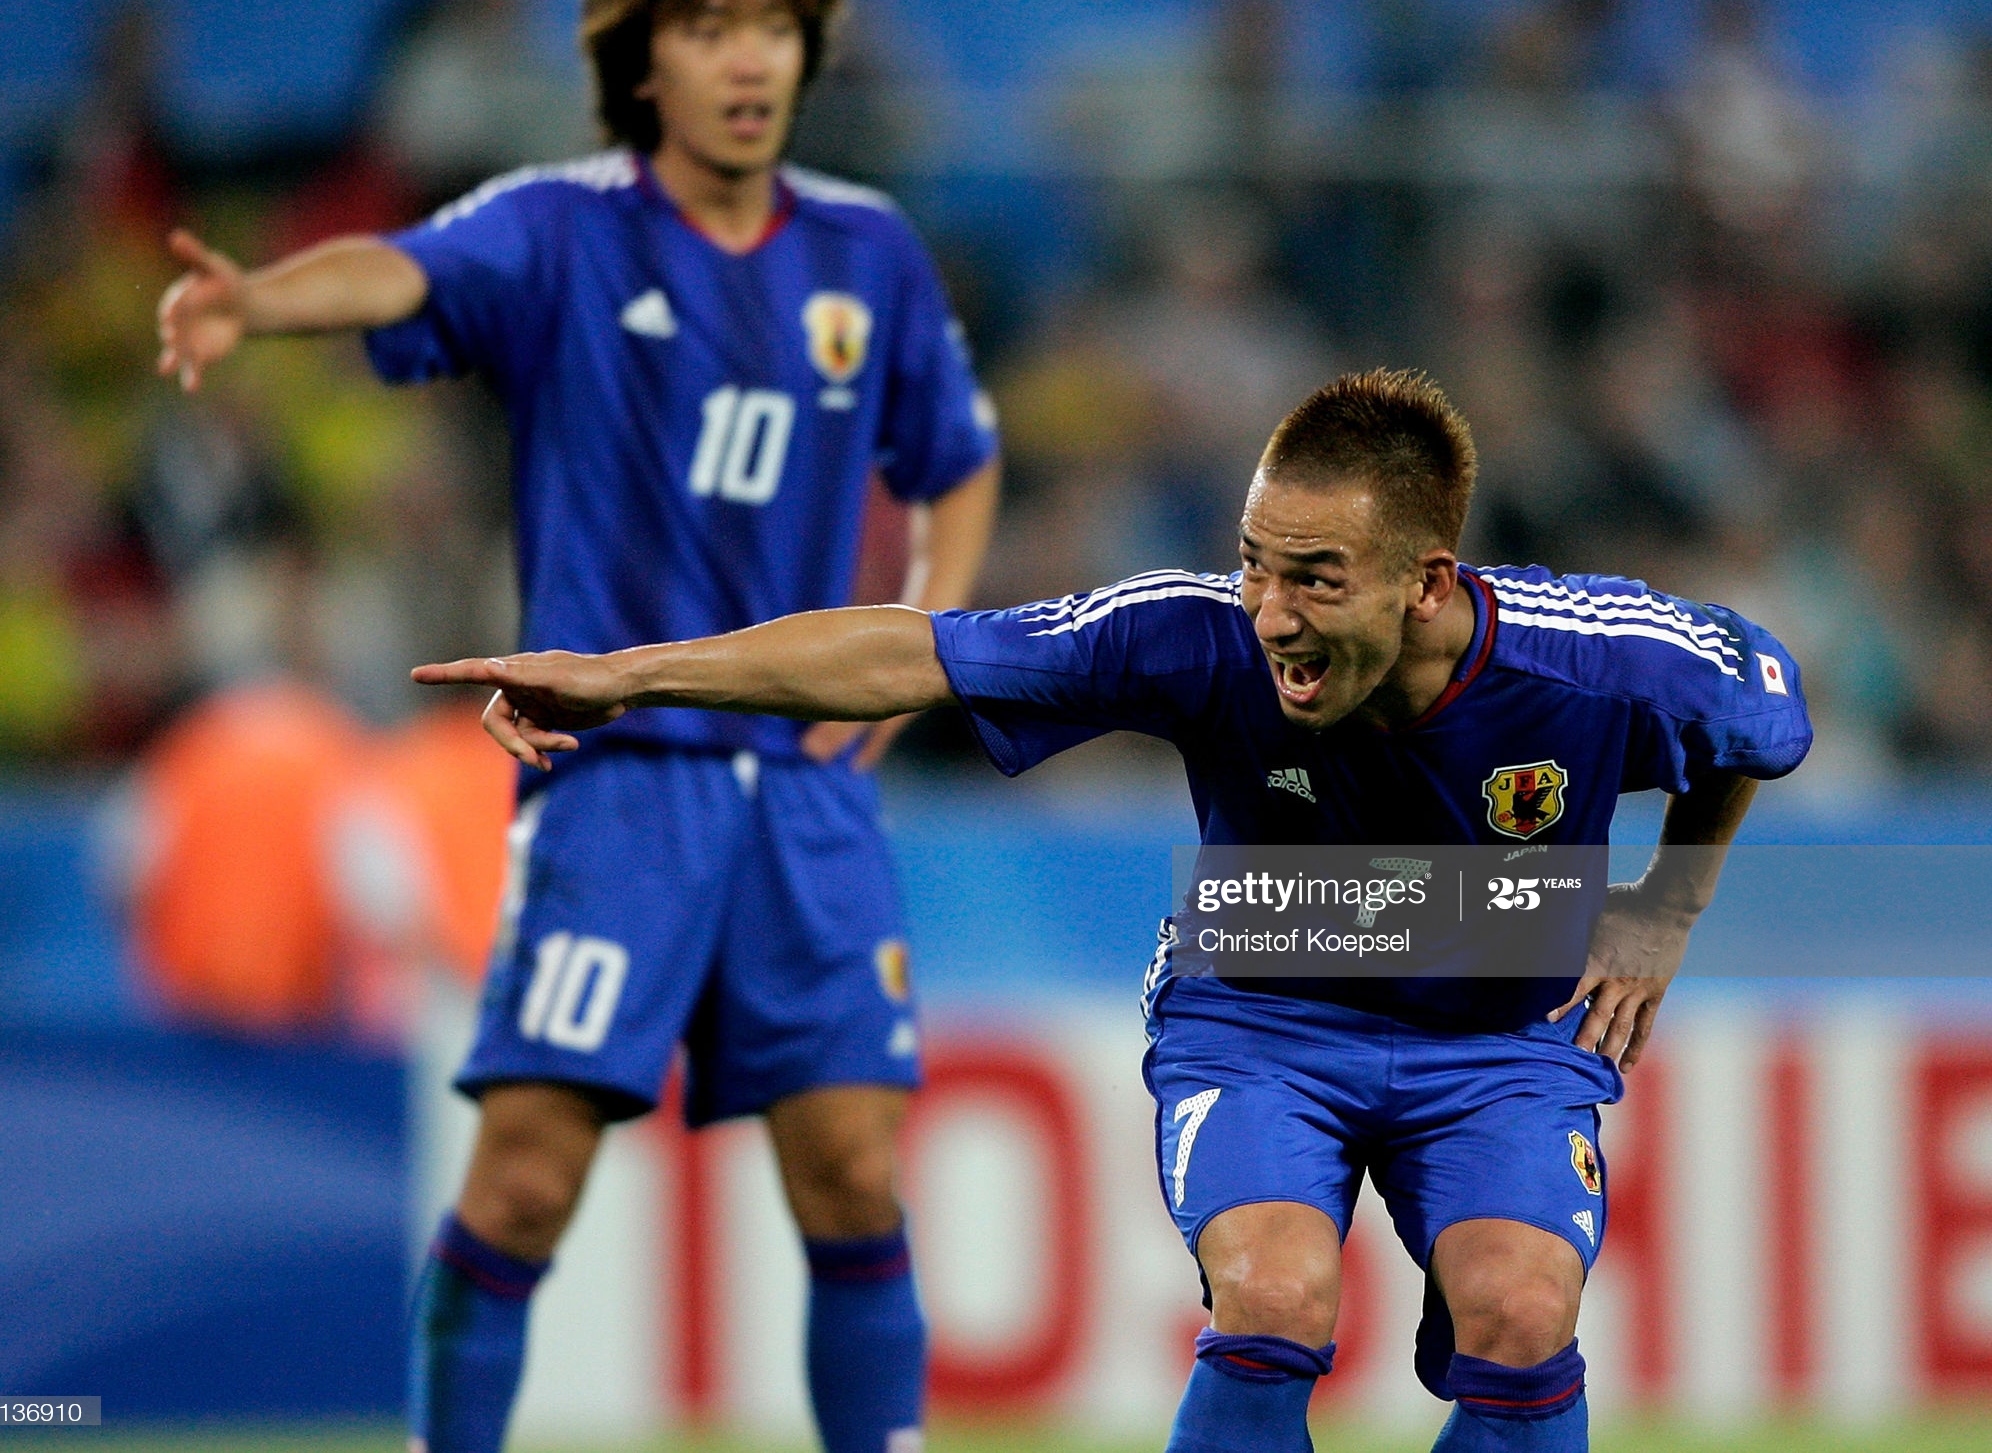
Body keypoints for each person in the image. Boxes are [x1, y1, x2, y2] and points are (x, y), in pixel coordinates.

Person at [415, 369, 1812, 1453]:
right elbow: (908, 654)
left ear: (1427, 581)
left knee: (1524, 1309)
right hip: (1265, 1019)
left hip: (1500, 1038)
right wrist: (627, 675)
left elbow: (1771, 713)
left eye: (1317, 576)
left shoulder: (1600, 659)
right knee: (1273, 1292)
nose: (1269, 609)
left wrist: (1668, 900)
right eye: (1257, 559)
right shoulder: (1191, 629)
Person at [154, 0, 1001, 1453]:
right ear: (642, 63)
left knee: (856, 1172)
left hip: (802, 796)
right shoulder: (559, 227)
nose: (749, 60)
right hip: (616, 785)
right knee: (529, 1177)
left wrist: (919, 648)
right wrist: (262, 300)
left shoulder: (868, 251)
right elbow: (401, 277)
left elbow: (960, 464)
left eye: (773, 28)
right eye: (709, 27)